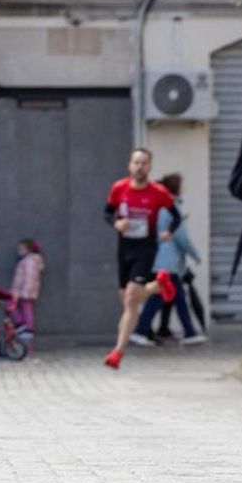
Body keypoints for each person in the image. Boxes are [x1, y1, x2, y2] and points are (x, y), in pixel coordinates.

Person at [102, 148, 179, 370]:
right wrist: (116, 223)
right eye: (136, 162)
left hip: (145, 248)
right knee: (128, 304)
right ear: (129, 165)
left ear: (150, 166)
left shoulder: (158, 192)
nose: (139, 167)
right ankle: (158, 285)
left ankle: (117, 352)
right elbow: (107, 212)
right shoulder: (119, 188)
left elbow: (175, 216)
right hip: (124, 248)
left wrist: (168, 232)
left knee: (131, 298)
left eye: (144, 163)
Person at [133, 173, 204, 346]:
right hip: (167, 262)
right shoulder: (171, 208)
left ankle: (189, 332)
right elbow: (182, 237)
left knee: (177, 298)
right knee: (164, 298)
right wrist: (195, 255)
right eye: (182, 186)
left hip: (162, 261)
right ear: (176, 189)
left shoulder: (159, 206)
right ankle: (141, 331)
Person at [9, 238, 44, 335]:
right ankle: (23, 325)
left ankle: (26, 327)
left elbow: (30, 277)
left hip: (25, 290)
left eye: (21, 249)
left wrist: (25, 291)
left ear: (28, 250)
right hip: (21, 290)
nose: (19, 252)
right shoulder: (28, 260)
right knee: (20, 306)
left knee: (23, 307)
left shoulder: (30, 261)